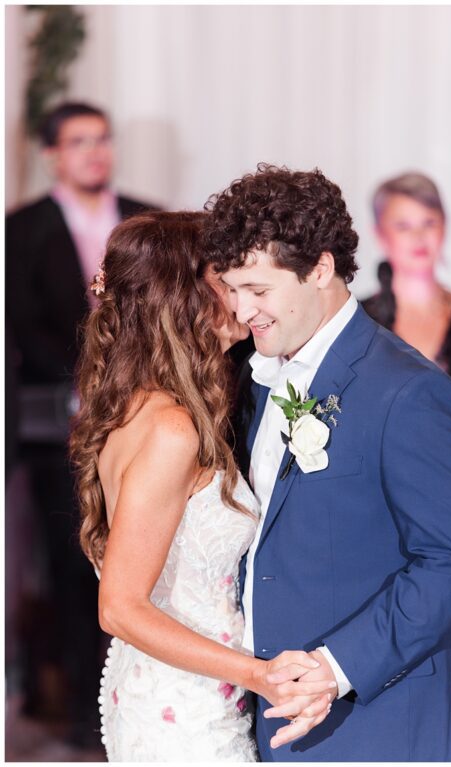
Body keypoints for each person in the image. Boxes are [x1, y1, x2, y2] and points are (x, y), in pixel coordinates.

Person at [204, 164, 451, 761]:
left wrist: (333, 668)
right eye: (233, 289)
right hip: (267, 706)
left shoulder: (411, 393)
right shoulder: (253, 375)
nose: (241, 311)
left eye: (258, 291)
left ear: (319, 269)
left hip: (371, 716)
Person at [68, 211, 338, 760]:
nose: (241, 295)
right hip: (181, 708)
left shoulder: (150, 406)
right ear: (188, 296)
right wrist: (258, 674)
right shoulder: (170, 428)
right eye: (227, 278)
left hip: (187, 689)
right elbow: (119, 606)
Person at [6, 100, 156, 742]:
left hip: (142, 413)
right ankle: (79, 713)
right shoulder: (21, 228)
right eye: (79, 141)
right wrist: (83, 386)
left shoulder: (148, 218)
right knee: (71, 561)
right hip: (57, 429)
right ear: (51, 155)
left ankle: (141, 693)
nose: (95, 152)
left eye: (103, 138)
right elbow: (19, 325)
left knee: (145, 553)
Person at [362, 171, 451, 501]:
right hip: (372, 510)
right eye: (403, 226)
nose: (418, 237)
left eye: (429, 222)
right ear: (380, 235)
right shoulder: (354, 322)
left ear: (445, 226)